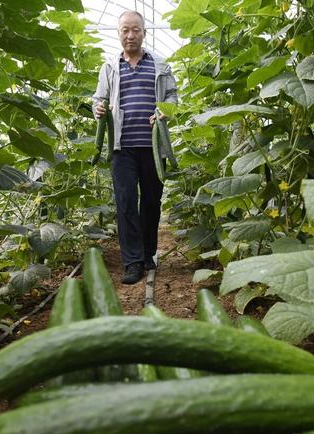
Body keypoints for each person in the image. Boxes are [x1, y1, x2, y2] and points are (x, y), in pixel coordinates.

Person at [92, 10, 178, 284]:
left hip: (153, 147)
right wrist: (98, 108)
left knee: (152, 202)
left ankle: (148, 253)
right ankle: (132, 262)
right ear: (119, 34)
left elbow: (173, 97)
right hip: (122, 147)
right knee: (126, 201)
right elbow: (99, 98)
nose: (130, 35)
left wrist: (165, 111)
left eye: (135, 30)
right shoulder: (110, 67)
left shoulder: (160, 65)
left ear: (144, 32)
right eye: (125, 30)